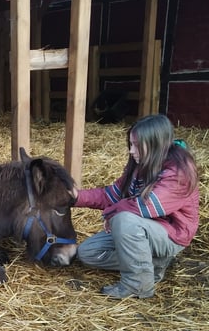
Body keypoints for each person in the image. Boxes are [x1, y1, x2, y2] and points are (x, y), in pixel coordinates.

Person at [72, 114, 199, 298]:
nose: (131, 151)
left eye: (137, 145)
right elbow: (111, 195)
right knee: (88, 253)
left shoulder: (179, 171)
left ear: (155, 143)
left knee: (124, 220)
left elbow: (146, 207)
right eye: (131, 144)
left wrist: (111, 213)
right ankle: (153, 264)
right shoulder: (141, 165)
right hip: (143, 231)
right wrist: (75, 197)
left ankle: (138, 285)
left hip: (170, 235)